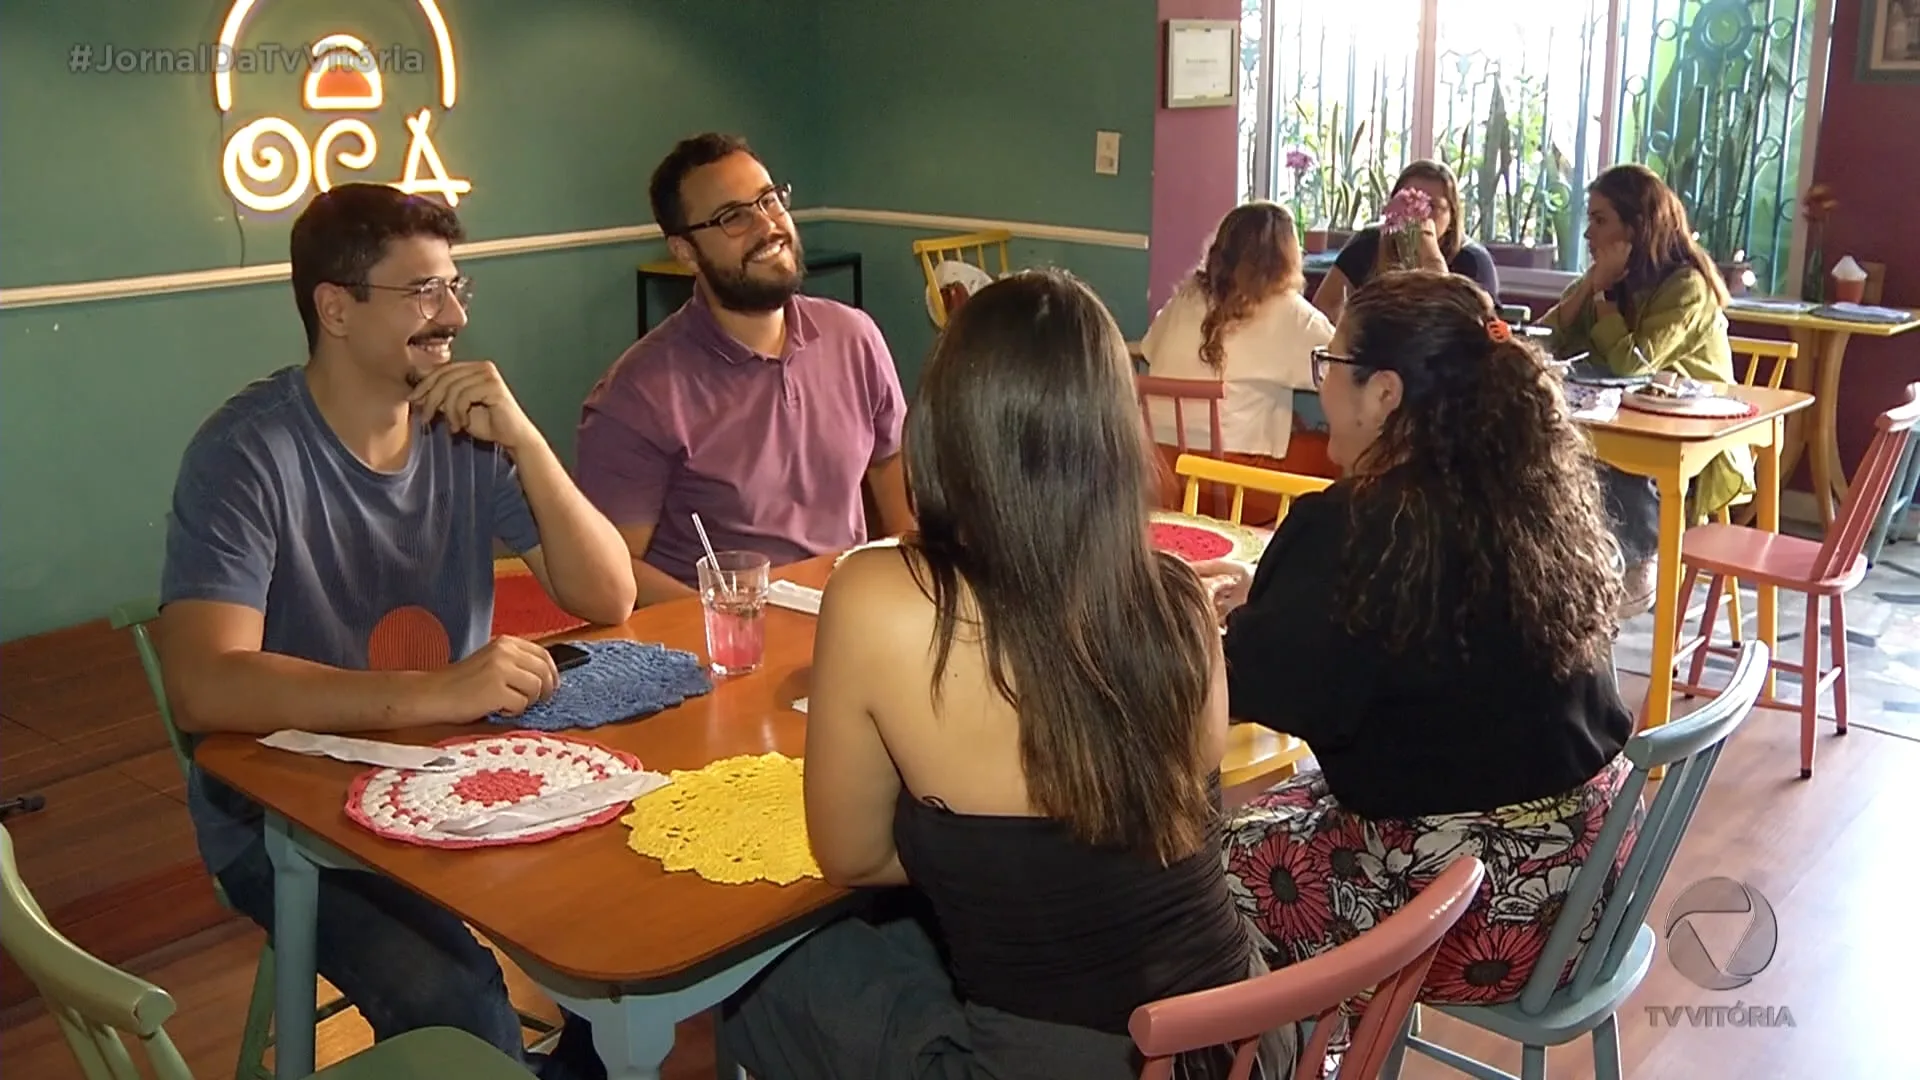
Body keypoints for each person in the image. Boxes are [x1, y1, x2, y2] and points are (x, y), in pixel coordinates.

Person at [717, 270, 1291, 1080]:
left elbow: (849, 856)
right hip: (1243, 1037)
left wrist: (983, 861)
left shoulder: (880, 595)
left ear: (946, 425)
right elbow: (1181, 811)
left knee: (770, 984)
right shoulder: (1179, 601)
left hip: (1059, 1062)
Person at [155, 183, 634, 1080]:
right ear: (334, 308)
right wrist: (437, 691)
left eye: (456, 287)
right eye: (421, 292)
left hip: (455, 784)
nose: (450, 314)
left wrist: (526, 439)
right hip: (286, 817)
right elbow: (203, 684)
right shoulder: (245, 454)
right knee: (454, 998)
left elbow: (607, 595)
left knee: (622, 922)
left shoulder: (465, 431)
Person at [1205, 270, 1637, 1013]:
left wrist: (1213, 615)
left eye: (1330, 366)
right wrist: (1278, 602)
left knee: (1186, 885)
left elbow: (1237, 685)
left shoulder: (1353, 528)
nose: (1321, 387)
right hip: (1594, 879)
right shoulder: (1534, 500)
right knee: (1277, 806)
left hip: (1476, 912)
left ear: (1385, 393)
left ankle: (1297, 1054)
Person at [575, 133, 912, 605]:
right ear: (686, 252)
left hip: (850, 619)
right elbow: (609, 573)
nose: (767, 225)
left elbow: (894, 490)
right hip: (723, 649)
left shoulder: (854, 336)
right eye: (733, 217)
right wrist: (723, 620)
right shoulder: (638, 394)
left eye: (769, 200)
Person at [1541, 162, 1746, 613]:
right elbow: (1547, 339)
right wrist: (1590, 288)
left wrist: (1603, 300)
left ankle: (1638, 558)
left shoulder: (1687, 286)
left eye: (1600, 221)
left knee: (1615, 453)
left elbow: (1632, 365)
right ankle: (1576, 559)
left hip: (1692, 443)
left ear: (1636, 227)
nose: (1589, 234)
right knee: (1550, 445)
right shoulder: (1609, 274)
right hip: (1618, 421)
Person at [1141, 201, 1337, 508]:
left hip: (1162, 475)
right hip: (1234, 487)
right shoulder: (1293, 314)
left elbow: (1148, 350)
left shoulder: (1185, 298)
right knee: (1334, 454)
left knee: (1294, 426)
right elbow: (1342, 368)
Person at [1311, 159, 1500, 325]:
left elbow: (1456, 329)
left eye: (1432, 206)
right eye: (1407, 202)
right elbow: (1323, 310)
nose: (1418, 214)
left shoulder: (1472, 260)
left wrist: (1428, 247)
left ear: (1452, 216)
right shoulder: (1368, 242)